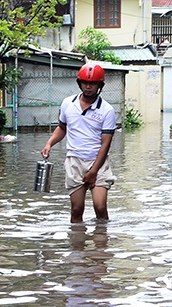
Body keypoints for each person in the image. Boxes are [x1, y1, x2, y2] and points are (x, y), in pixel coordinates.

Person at [39, 61, 119, 222]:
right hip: (74, 161)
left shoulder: (107, 110)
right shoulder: (68, 103)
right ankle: (77, 245)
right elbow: (62, 128)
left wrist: (93, 172)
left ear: (99, 85)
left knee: (100, 207)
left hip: (98, 162)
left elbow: (106, 144)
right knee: (76, 210)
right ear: (79, 83)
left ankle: (101, 244)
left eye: (92, 83)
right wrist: (49, 144)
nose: (88, 87)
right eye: (85, 83)